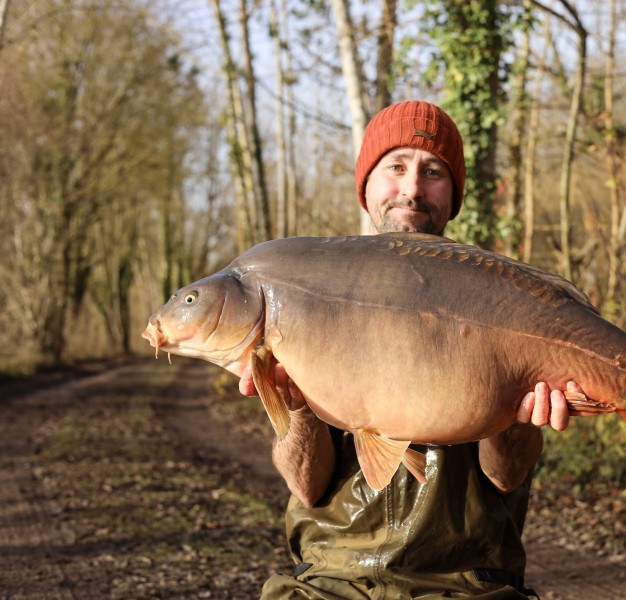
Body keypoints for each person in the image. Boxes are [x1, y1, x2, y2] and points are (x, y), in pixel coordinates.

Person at [242, 100, 580, 599]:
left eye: (433, 171)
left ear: (453, 192)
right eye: (395, 167)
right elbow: (307, 486)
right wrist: (298, 406)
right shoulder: (312, 289)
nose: (412, 188)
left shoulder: (500, 296)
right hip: (331, 582)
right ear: (367, 185)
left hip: (467, 585)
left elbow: (506, 477)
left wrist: (517, 416)